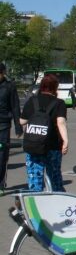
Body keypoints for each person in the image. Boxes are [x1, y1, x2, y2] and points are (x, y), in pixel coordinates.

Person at [19, 73, 68, 192]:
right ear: (55, 87)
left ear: (41, 86)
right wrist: (65, 141)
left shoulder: (32, 100)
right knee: (54, 176)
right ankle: (58, 203)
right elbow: (61, 122)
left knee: (35, 178)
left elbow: (22, 121)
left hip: (34, 144)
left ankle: (35, 204)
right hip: (53, 145)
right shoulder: (59, 103)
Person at [0, 62, 24, 191]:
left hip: (3, 126)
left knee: (2, 156)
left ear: (3, 73)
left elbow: (15, 107)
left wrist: (18, 126)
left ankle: (0, 183)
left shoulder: (9, 87)